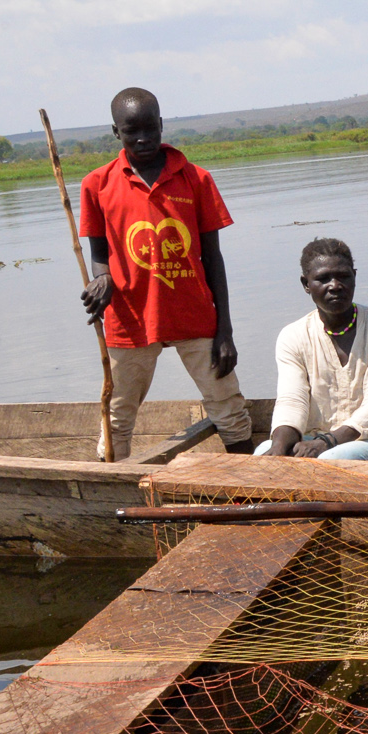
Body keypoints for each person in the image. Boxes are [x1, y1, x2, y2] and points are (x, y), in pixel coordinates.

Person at [76, 87, 253, 462]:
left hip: (195, 314)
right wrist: (101, 279)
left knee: (228, 406)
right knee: (118, 414)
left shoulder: (195, 179)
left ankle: (248, 483)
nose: (142, 139)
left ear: (161, 124)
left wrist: (225, 330)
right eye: (131, 131)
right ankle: (113, 486)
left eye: (150, 129)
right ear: (115, 133)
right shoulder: (97, 184)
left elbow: (213, 258)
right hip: (130, 318)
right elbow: (98, 255)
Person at [258, 238, 368, 462]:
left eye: (343, 276)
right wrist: (278, 449)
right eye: (323, 279)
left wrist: (327, 442)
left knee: (331, 460)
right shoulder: (293, 336)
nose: (335, 285)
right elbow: (292, 400)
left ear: (354, 276)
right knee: (262, 452)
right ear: (306, 284)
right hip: (318, 441)